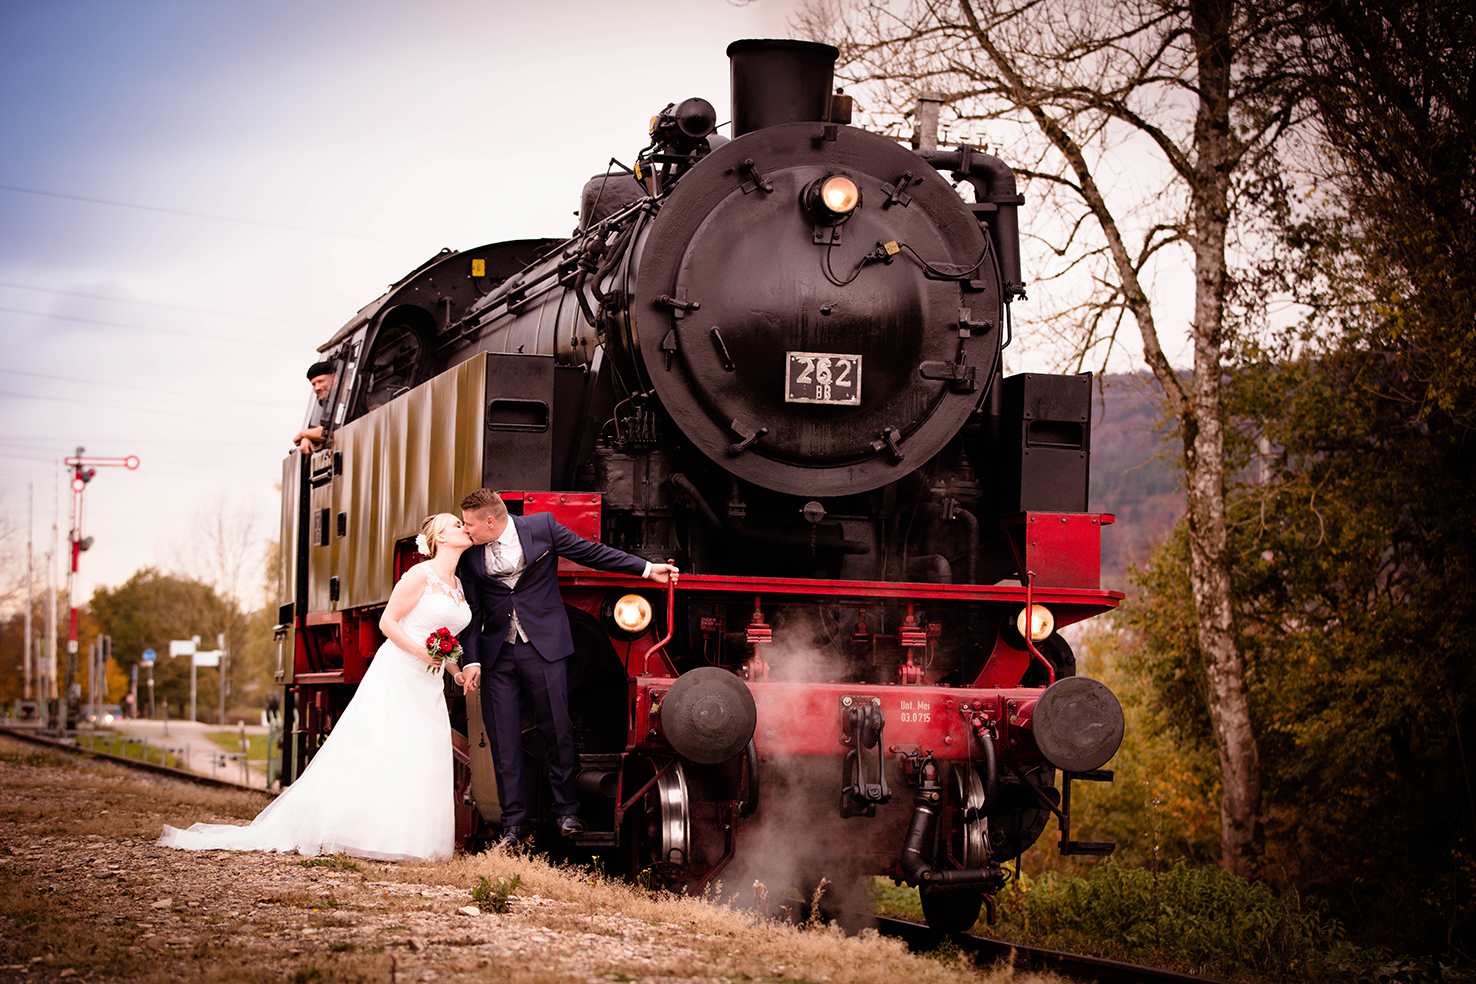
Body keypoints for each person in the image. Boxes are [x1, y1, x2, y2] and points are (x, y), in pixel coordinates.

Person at [157, 514, 474, 861]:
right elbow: (387, 623)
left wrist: (455, 671)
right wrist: (420, 653)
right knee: (384, 744)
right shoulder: (419, 575)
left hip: (427, 681)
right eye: (456, 524)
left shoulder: (456, 584)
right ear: (440, 538)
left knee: (423, 749)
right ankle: (364, 833)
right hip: (399, 671)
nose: (463, 527)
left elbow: (443, 637)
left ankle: (409, 841)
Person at [456, 488, 677, 848]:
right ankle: (514, 825)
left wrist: (647, 569)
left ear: (491, 521)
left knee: (557, 728)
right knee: (503, 739)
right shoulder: (470, 554)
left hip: (543, 647)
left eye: (470, 524)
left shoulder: (541, 527)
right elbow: (472, 611)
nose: (466, 530)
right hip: (498, 654)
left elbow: (591, 553)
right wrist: (473, 659)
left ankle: (567, 811)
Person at [292, 360, 336, 454]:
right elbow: (322, 430)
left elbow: (325, 433)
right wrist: (307, 437)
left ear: (334, 377)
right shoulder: (328, 403)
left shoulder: (349, 399)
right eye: (314, 384)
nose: (317, 388)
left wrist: (303, 433)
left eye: (320, 381)